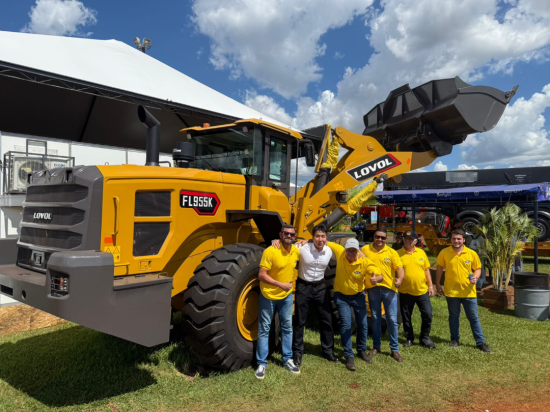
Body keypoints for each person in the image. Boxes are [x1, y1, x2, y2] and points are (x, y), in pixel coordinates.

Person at [288, 224, 339, 366]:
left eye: (323, 236)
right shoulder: (302, 248)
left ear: (326, 238)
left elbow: (345, 252)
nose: (320, 239)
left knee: (326, 320)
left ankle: (328, 351)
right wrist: (275, 242)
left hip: (320, 287)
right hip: (304, 286)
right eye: (317, 236)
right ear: (312, 237)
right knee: (299, 321)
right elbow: (286, 246)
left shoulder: (329, 251)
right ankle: (297, 353)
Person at [327, 238, 381, 371]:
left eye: (353, 250)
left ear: (358, 251)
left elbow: (379, 275)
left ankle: (361, 350)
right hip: (342, 296)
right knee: (346, 324)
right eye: (348, 250)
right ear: (345, 249)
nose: (350, 253)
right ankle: (348, 355)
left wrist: (376, 279)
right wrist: (307, 241)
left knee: (362, 324)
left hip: (358, 296)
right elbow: (324, 241)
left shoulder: (364, 261)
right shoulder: (340, 253)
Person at [435, 229, 493, 353]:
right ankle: (454, 339)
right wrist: (438, 283)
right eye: (454, 239)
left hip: (468, 292)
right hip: (451, 292)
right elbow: (439, 267)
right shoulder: (444, 252)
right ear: (451, 240)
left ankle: (480, 342)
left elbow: (477, 268)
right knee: (453, 317)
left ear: (464, 240)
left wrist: (476, 277)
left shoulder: (471, 253)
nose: (456, 241)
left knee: (473, 318)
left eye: (459, 239)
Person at [255, 224, 301, 379]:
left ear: (295, 237)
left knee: (287, 327)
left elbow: (311, 243)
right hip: (268, 295)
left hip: (286, 296)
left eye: (292, 235)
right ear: (280, 235)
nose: (289, 236)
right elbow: (261, 275)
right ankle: (262, 363)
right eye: (286, 234)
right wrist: (280, 284)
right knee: (264, 329)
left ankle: (288, 359)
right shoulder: (271, 251)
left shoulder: (295, 250)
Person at [362, 228, 405, 362]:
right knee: (375, 317)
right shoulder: (365, 250)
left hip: (389, 289)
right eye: (377, 237)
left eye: (382, 237)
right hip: (373, 289)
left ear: (386, 239)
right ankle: (376, 346)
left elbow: (399, 268)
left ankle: (394, 349)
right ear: (373, 237)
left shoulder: (392, 252)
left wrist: (400, 279)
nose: (379, 240)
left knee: (392, 319)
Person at [397, 231, 436, 349]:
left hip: (422, 290)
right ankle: (409, 338)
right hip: (405, 291)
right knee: (406, 316)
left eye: (410, 239)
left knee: (427, 314)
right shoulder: (397, 254)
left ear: (415, 241)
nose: (407, 241)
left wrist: (430, 286)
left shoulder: (422, 253)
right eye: (406, 238)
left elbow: (426, 270)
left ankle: (425, 337)